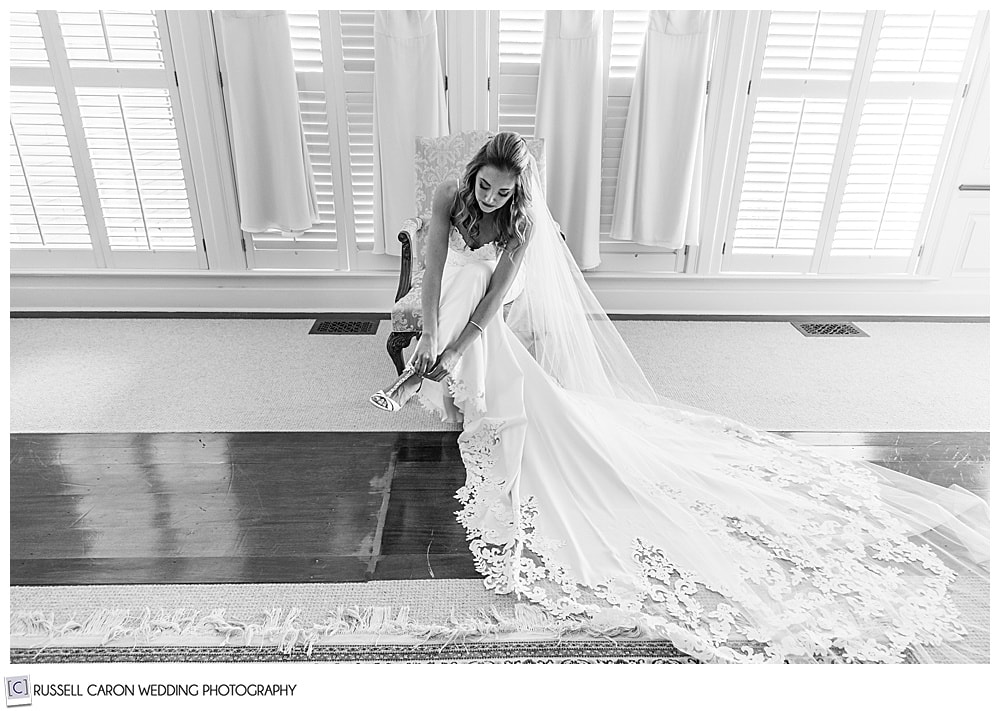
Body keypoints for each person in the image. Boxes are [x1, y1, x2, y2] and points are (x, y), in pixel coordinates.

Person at [370, 132, 989, 663]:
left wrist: (450, 349)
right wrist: (428, 332)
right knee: (461, 279)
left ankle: (425, 376)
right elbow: (430, 273)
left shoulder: (523, 222)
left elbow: (495, 300)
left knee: (479, 282)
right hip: (452, 282)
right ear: (474, 171)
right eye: (486, 187)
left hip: (493, 289)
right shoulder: (450, 195)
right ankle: (435, 368)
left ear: (517, 193)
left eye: (504, 193)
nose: (492, 199)